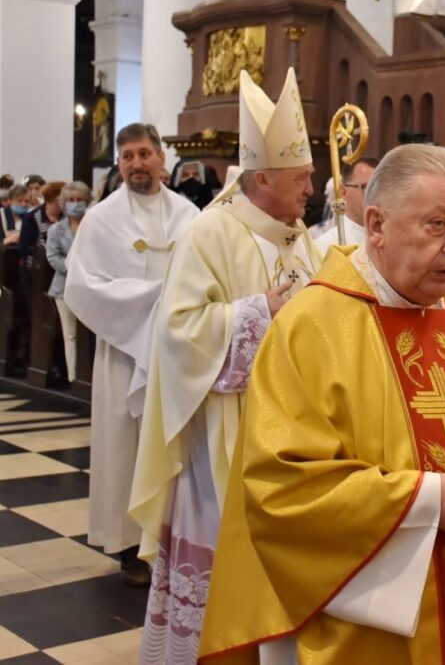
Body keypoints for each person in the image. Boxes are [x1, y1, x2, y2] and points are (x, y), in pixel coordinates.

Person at [197, 144, 445, 664]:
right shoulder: (311, 327)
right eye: (437, 225)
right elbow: (281, 487)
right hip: (372, 630)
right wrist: (428, 503)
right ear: (376, 225)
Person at [129, 67, 322, 664]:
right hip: (223, 432)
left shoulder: (299, 237)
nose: (311, 187)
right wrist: (260, 312)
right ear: (262, 178)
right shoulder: (211, 231)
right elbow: (178, 331)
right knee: (224, 567)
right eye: (301, 176)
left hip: (294, 431)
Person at [63, 123, 198, 585]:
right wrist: (151, 300)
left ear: (162, 158)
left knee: (173, 444)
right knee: (124, 447)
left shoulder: (190, 216)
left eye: (144, 154)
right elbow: (82, 286)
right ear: (119, 164)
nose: (136, 164)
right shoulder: (101, 219)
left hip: (177, 352)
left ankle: (172, 541)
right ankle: (127, 546)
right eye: (127, 157)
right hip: (123, 352)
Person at [45, 181, 91, 384]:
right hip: (63, 287)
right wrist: (74, 268)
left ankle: (89, 375)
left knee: (89, 334)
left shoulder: (92, 225)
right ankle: (73, 376)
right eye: (71, 200)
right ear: (64, 203)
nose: (75, 203)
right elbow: (52, 256)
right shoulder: (56, 229)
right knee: (70, 333)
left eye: (80, 199)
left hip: (90, 286)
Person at [314, 156, 379, 253]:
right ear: (343, 192)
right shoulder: (326, 245)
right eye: (366, 187)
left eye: (380, 188)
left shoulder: (394, 238)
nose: (376, 194)